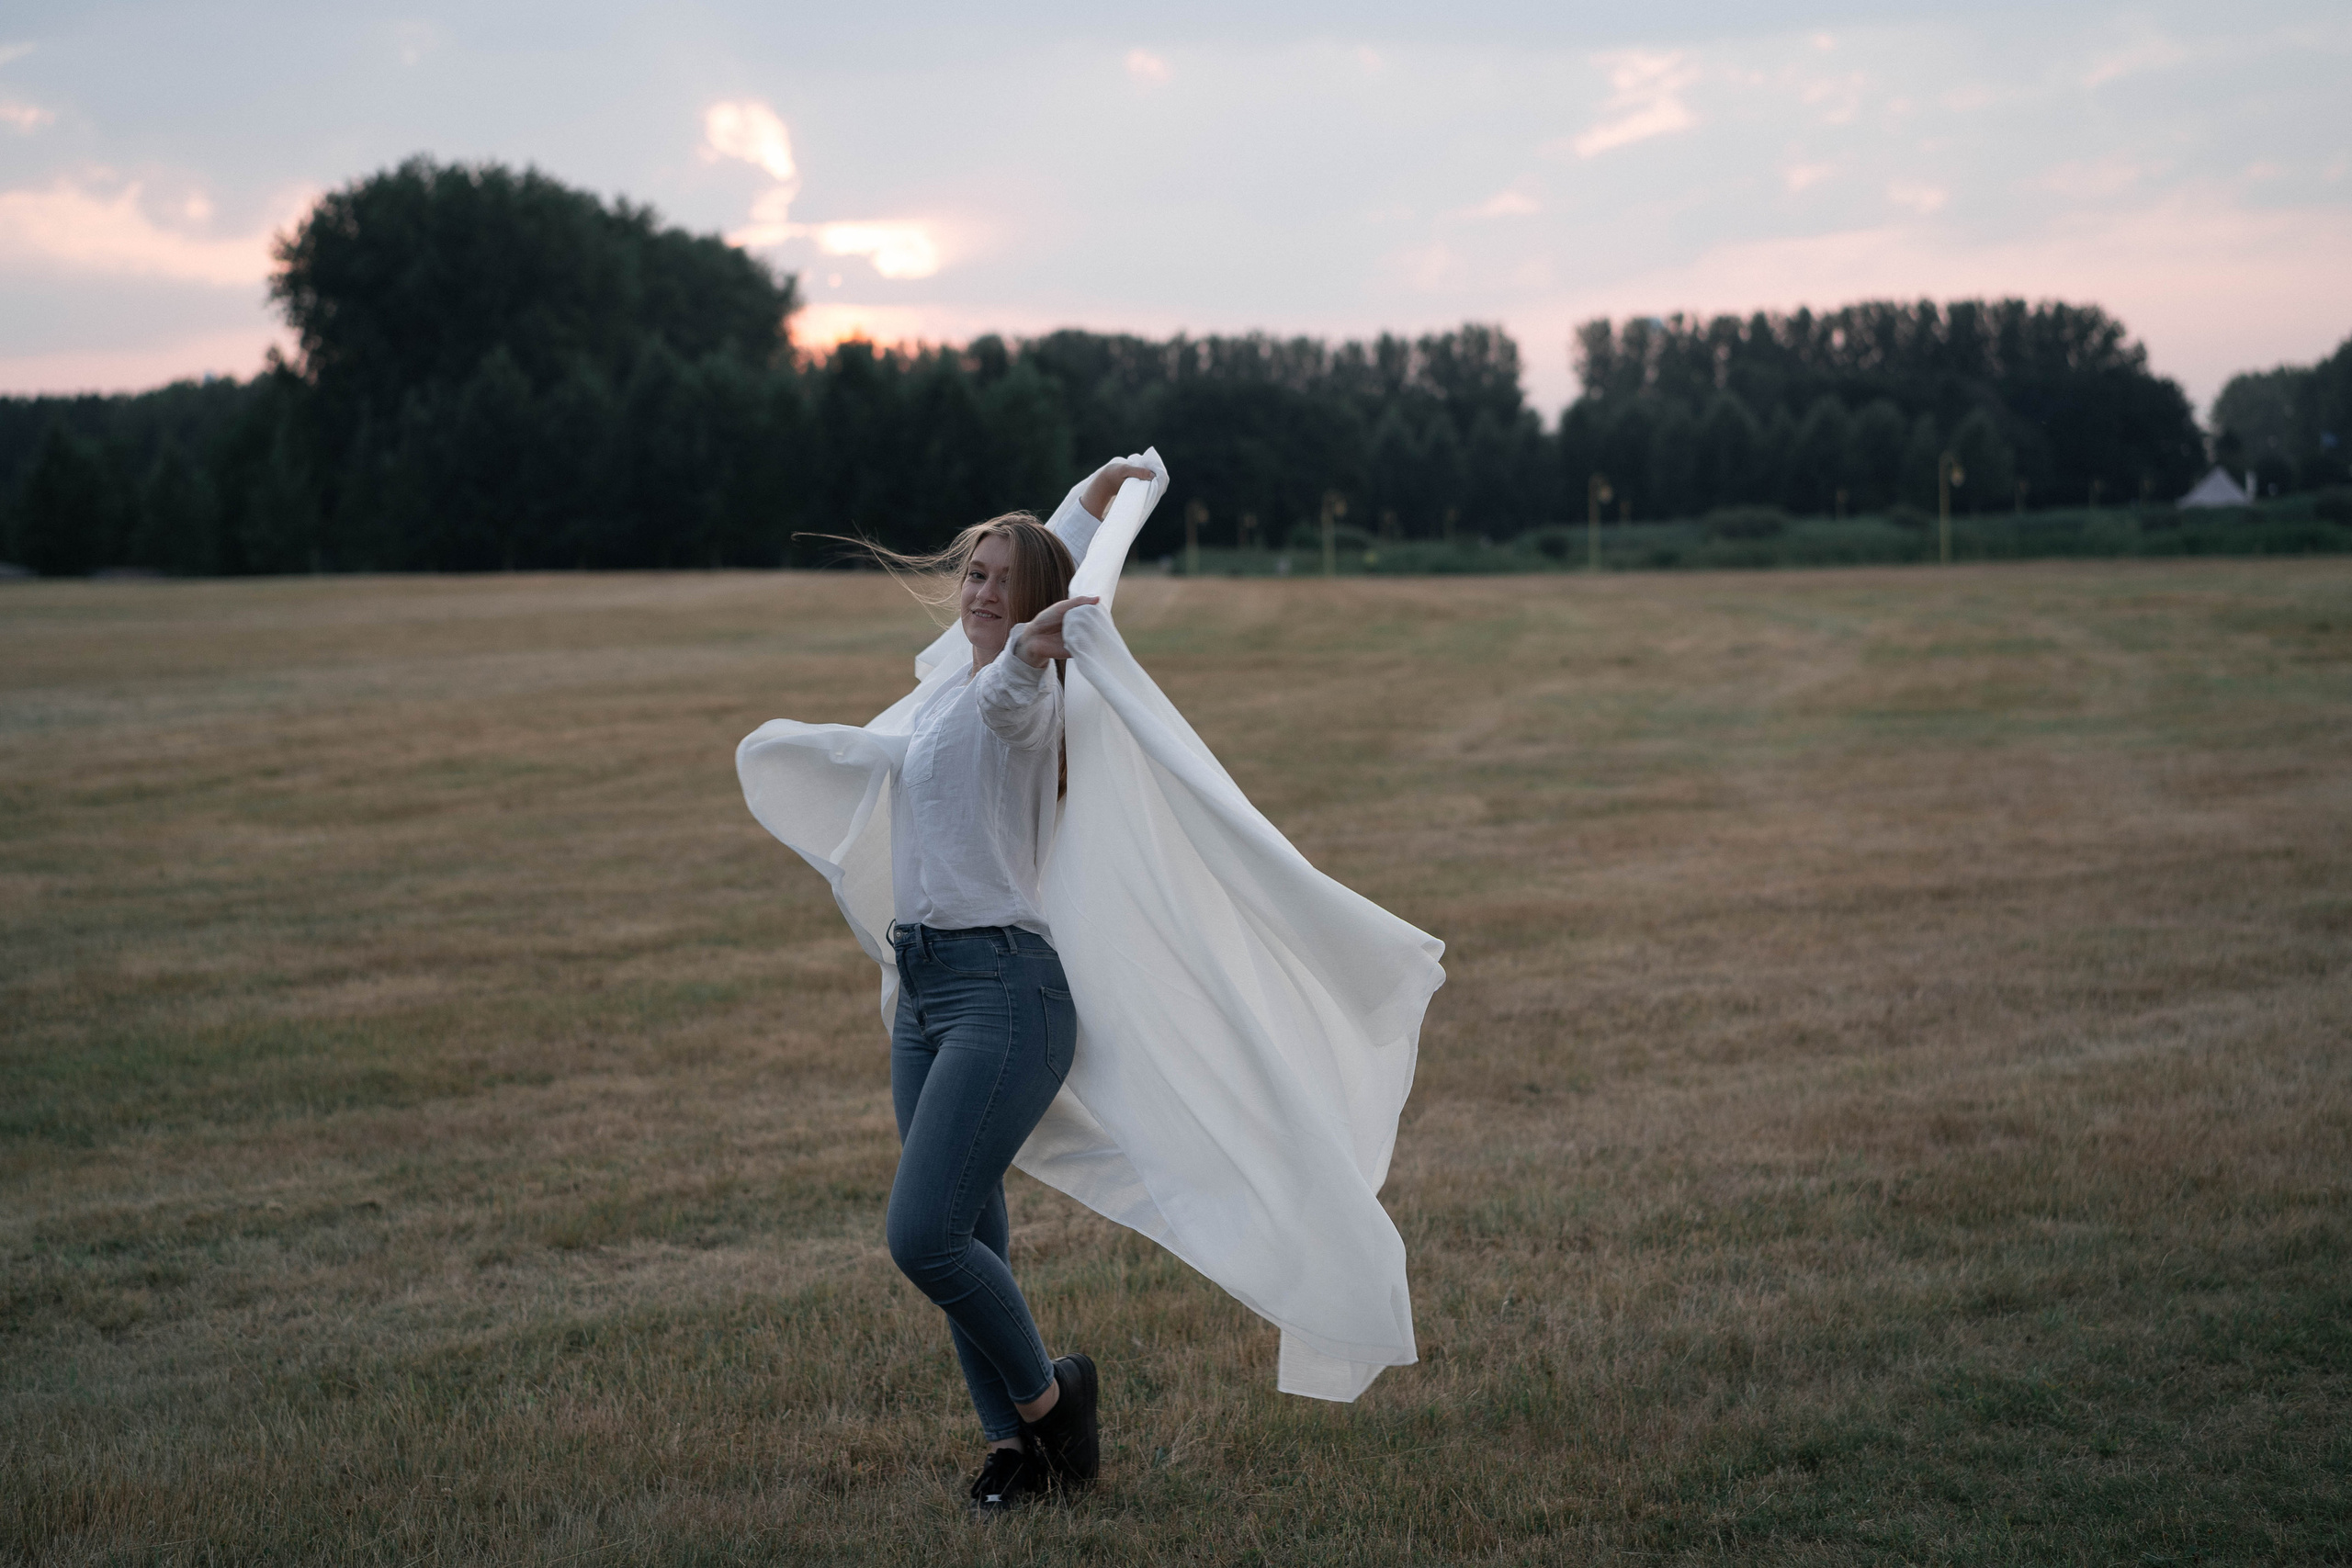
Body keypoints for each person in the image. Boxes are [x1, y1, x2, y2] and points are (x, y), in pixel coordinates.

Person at [857, 458, 1153, 1517]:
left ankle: (1052, 1403)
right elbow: (1046, 563)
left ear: (1037, 609)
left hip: (1005, 993)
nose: (982, 592)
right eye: (973, 574)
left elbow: (1018, 693)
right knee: (968, 1237)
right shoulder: (949, 677)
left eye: (1001, 581)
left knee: (922, 1235)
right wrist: (1094, 489)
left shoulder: (1017, 696)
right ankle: (1015, 1452)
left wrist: (1033, 649)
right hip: (929, 991)